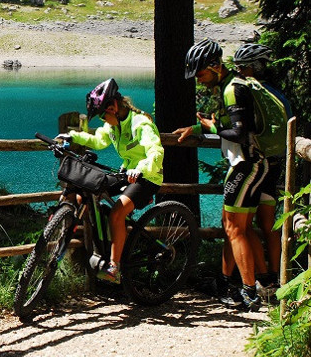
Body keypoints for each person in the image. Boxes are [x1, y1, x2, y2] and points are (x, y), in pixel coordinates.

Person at [173, 38, 268, 311]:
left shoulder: (232, 91)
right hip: (248, 164)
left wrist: (211, 128)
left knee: (235, 230)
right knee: (235, 227)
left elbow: (239, 132)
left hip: (245, 165)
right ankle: (229, 284)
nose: (199, 80)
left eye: (200, 73)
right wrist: (199, 127)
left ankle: (249, 293)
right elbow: (227, 125)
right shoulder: (229, 86)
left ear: (215, 66)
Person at [57, 78, 164, 284]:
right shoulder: (114, 126)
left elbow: (156, 151)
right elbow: (98, 140)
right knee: (85, 193)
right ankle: (98, 247)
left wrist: (140, 169)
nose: (103, 120)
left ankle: (114, 267)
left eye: (103, 115)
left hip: (148, 176)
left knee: (117, 213)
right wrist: (72, 137)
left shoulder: (141, 124)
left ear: (113, 107)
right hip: (127, 173)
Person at [231, 43, 291, 297]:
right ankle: (278, 279)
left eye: (241, 67)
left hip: (258, 163)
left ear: (250, 68)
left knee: (243, 224)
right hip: (277, 164)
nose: (239, 72)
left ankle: (260, 281)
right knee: (269, 224)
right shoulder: (277, 94)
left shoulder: (251, 93)